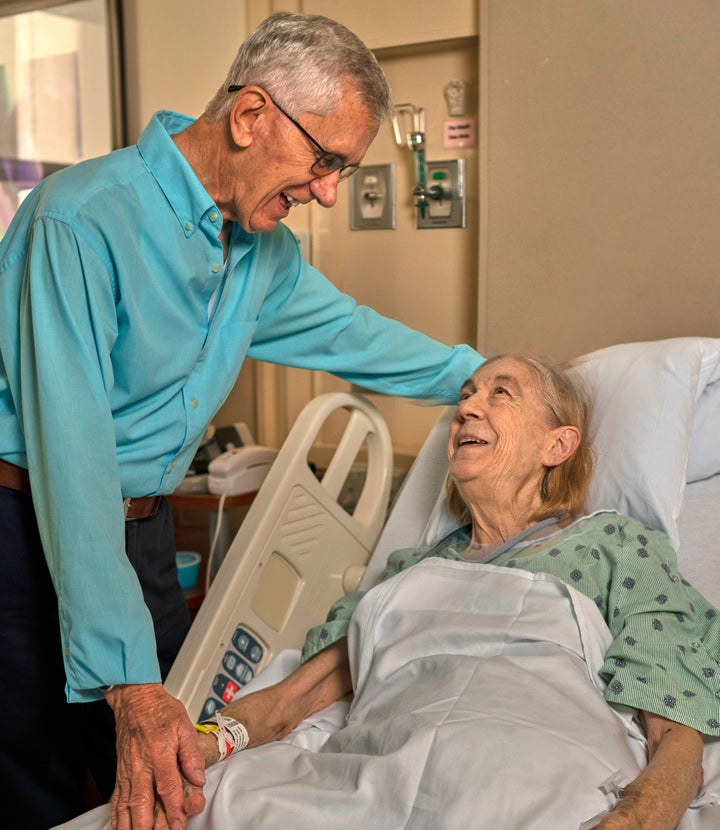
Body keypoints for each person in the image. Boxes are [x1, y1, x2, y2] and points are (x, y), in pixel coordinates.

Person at [0, 11, 483, 830]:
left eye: (342, 168)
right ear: (252, 114)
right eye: (324, 160)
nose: (328, 190)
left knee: (155, 793)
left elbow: (353, 334)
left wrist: (488, 378)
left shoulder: (261, 255)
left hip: (142, 542)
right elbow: (74, 456)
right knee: (30, 787)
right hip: (23, 536)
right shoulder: (79, 220)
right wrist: (130, 682)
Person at [133, 353, 719, 830]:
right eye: (466, 394)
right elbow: (292, 699)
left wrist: (638, 818)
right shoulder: (411, 569)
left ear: (556, 446)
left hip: (529, 771)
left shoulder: (614, 544)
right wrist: (200, 750)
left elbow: (675, 720)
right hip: (375, 770)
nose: (467, 406)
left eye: (500, 394)